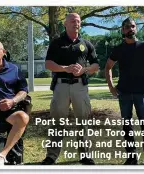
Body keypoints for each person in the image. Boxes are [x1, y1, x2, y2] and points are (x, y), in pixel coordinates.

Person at [41, 13, 99, 165]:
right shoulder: (57, 43)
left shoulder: (86, 44)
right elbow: (48, 64)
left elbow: (96, 66)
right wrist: (64, 68)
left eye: (78, 21)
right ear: (65, 24)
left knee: (83, 121)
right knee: (57, 121)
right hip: (61, 86)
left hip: (80, 86)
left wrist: (84, 70)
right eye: (73, 21)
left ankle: (85, 155)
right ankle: (51, 156)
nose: (76, 23)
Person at [105, 17, 144, 165]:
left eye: (133, 26)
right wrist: (111, 87)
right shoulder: (118, 49)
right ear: (123, 30)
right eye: (127, 27)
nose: (131, 29)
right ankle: (131, 157)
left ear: (136, 28)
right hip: (124, 93)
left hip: (141, 92)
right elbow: (108, 67)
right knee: (127, 125)